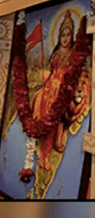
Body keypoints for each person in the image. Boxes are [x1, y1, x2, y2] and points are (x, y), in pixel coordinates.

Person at [31, 10, 90, 171]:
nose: (65, 38)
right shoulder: (56, 54)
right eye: (62, 35)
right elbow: (51, 73)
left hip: (61, 95)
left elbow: (76, 75)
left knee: (53, 126)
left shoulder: (73, 55)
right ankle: (41, 156)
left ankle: (46, 157)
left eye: (68, 35)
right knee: (41, 122)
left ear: (72, 37)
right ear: (58, 37)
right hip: (49, 91)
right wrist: (44, 75)